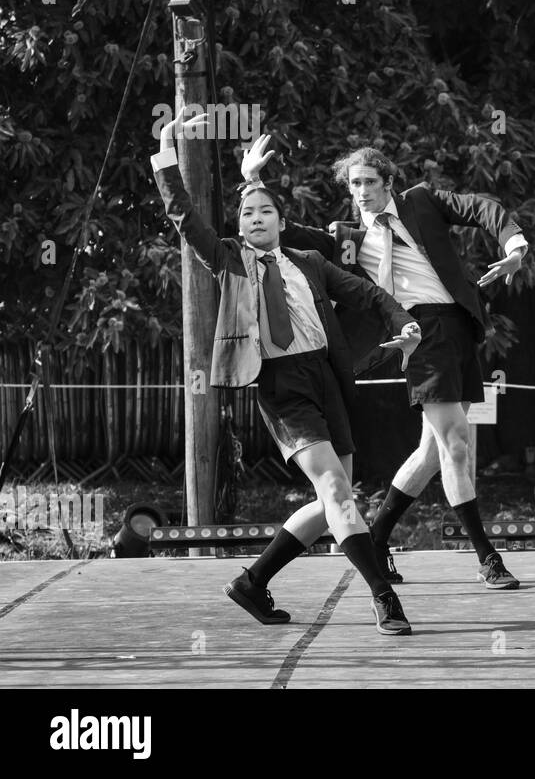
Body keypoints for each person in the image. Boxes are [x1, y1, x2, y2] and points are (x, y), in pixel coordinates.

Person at [152, 114, 421, 635]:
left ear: (280, 219)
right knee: (338, 492)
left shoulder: (310, 261)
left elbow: (367, 293)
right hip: (281, 386)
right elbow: (184, 217)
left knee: (329, 503)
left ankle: (252, 582)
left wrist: (405, 323)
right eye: (246, 211)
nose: (254, 218)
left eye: (264, 210)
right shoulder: (228, 259)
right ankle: (384, 597)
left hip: (326, 380)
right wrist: (167, 150)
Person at [240, 136, 527, 590]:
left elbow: (480, 207)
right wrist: (253, 180)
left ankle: (376, 539)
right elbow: (278, 228)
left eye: (370, 181)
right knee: (456, 442)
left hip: (458, 328)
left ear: (389, 182)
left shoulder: (421, 201)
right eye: (354, 183)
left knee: (431, 452)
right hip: (418, 335)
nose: (361, 191)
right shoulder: (345, 240)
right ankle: (486, 556)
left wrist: (515, 246)